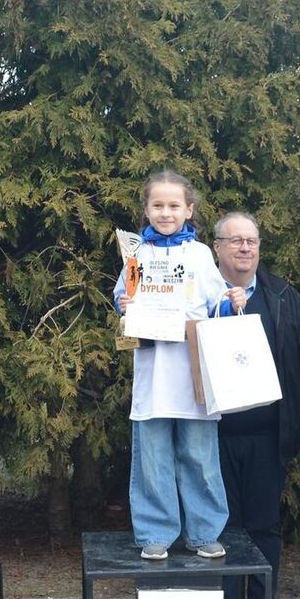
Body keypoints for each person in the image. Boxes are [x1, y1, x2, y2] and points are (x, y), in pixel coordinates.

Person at [211, 212, 300, 599]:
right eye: (235, 240)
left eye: (252, 240)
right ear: (217, 247)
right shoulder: (201, 296)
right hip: (213, 434)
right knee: (221, 529)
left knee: (265, 527)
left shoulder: (283, 296)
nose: (245, 248)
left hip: (269, 434)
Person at [112, 170, 230, 560]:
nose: (166, 213)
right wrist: (124, 304)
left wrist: (232, 301)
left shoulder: (200, 254)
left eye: (174, 205)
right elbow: (122, 295)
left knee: (200, 456)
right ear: (146, 210)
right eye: (158, 205)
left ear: (189, 210)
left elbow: (216, 303)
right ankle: (155, 533)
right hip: (153, 372)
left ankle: (204, 532)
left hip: (193, 372)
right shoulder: (136, 253)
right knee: (152, 459)